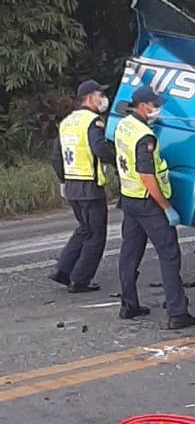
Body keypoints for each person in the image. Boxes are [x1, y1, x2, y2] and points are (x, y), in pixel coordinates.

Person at [114, 85, 195, 328]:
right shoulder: (145, 136)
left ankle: (128, 304)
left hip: (129, 198)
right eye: (154, 104)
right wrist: (165, 207)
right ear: (142, 105)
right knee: (170, 254)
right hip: (148, 201)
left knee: (130, 253)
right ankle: (177, 313)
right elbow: (146, 175)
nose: (157, 108)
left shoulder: (124, 125)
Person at [50, 79, 116, 293]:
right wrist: (118, 161)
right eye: (100, 94)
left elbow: (56, 157)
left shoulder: (67, 121)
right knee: (96, 236)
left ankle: (63, 270)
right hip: (89, 186)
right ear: (89, 97)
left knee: (84, 229)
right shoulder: (92, 121)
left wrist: (63, 180)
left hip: (72, 186)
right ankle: (80, 280)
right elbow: (99, 148)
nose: (103, 98)